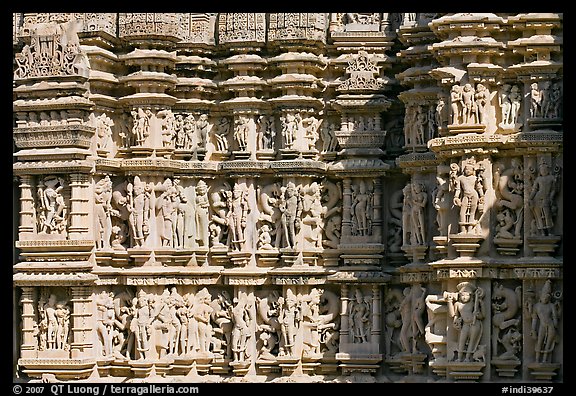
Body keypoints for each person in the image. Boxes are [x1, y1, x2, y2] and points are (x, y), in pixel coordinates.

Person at [445, 282, 485, 362]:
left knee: (472, 341)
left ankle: (467, 358)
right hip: (465, 325)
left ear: (471, 296)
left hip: (474, 324)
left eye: (467, 295)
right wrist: (449, 302)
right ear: (459, 296)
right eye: (462, 295)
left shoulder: (474, 304)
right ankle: (459, 358)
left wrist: (480, 307)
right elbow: (453, 314)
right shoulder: (457, 304)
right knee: (461, 340)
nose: (464, 297)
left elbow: (483, 316)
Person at [530, 280, 559, 363]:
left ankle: (544, 360)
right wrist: (533, 329)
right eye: (543, 296)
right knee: (540, 341)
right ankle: (537, 360)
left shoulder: (551, 305)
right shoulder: (537, 306)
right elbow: (534, 319)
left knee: (548, 344)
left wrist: (555, 324)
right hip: (542, 326)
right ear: (540, 296)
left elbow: (554, 316)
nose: (545, 298)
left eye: (547, 297)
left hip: (551, 325)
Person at [453, 163, 484, 233]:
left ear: (473, 171)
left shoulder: (475, 178)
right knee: (462, 212)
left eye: (470, 169)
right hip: (465, 195)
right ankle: (463, 230)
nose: (468, 171)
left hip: (474, 195)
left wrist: (482, 196)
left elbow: (479, 188)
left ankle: (470, 230)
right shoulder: (461, 178)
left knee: (472, 212)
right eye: (466, 169)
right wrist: (456, 197)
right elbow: (458, 189)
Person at [529, 161, 557, 236]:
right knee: (539, 217)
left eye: (545, 169)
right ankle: (542, 232)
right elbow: (534, 189)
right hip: (537, 199)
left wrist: (551, 197)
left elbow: (554, 189)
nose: (543, 171)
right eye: (542, 170)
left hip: (546, 198)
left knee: (547, 215)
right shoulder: (538, 179)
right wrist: (530, 198)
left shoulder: (551, 178)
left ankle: (550, 231)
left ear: (548, 170)